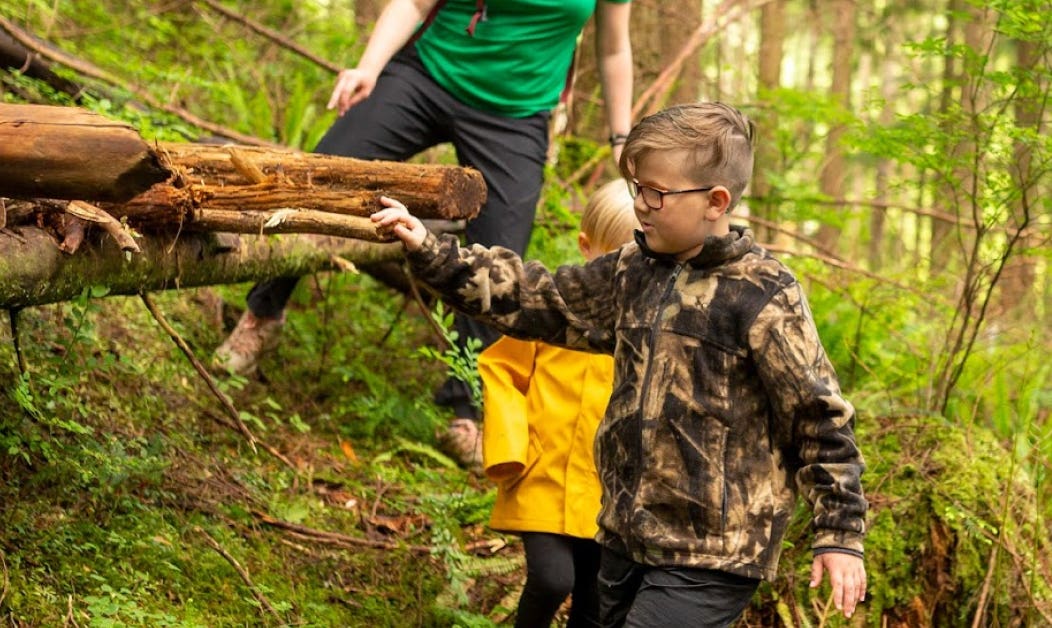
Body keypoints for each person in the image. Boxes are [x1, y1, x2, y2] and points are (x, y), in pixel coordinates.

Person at [371, 101, 868, 627]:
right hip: (625, 537)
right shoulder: (632, 271)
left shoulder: (765, 294)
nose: (642, 205)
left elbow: (818, 417)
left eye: (656, 191)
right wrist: (430, 248)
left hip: (714, 551)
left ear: (716, 202)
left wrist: (839, 533)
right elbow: (537, 297)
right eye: (636, 188)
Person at [213, 0, 634, 466]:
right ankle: (262, 316)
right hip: (427, 77)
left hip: (517, 112)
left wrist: (621, 138)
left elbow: (613, 49)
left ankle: (466, 407)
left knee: (495, 256)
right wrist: (368, 68)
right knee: (325, 174)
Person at [480, 180, 637, 628]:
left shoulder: (641, 326)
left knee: (595, 600)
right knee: (552, 580)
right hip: (542, 475)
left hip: (607, 491)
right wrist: (512, 446)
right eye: (613, 259)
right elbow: (501, 370)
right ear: (587, 247)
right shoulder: (552, 308)